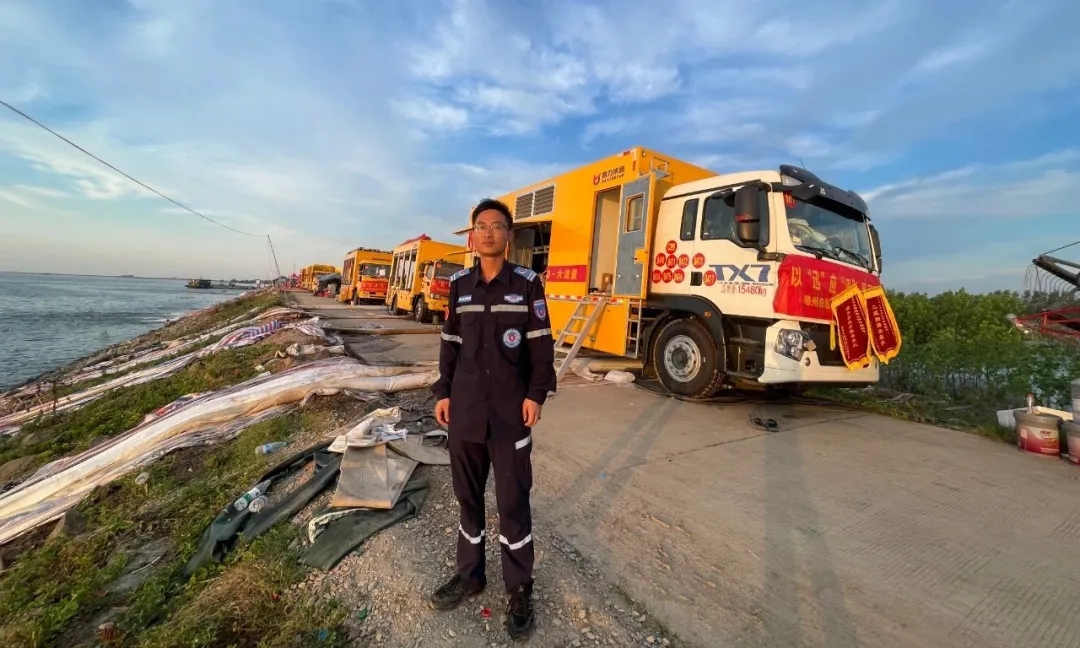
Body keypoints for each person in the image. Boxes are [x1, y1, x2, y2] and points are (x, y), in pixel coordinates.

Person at [428, 197, 556, 641]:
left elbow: (541, 345)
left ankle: (519, 588)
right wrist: (443, 391)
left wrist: (536, 394)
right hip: (465, 411)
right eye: (481, 226)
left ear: (508, 236)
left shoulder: (527, 284)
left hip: (509, 414)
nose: (488, 232)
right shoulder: (459, 286)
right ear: (471, 236)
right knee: (468, 499)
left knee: (512, 503)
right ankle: (470, 576)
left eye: (497, 226)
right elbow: (450, 343)